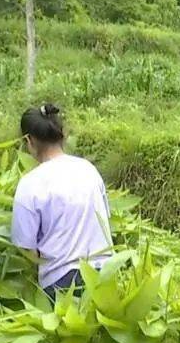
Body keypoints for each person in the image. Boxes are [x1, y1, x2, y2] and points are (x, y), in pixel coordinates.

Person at [10, 103, 113, 300]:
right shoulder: (89, 170)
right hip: (105, 275)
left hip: (62, 283)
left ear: (28, 140)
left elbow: (26, 248)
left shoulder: (30, 184)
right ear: (63, 133)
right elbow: (104, 220)